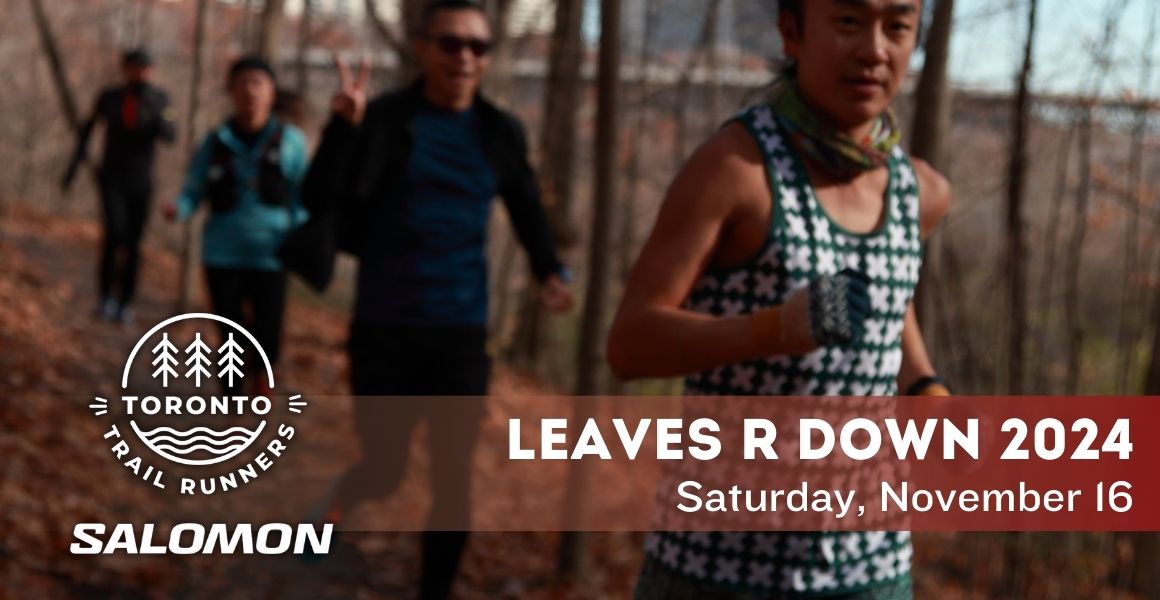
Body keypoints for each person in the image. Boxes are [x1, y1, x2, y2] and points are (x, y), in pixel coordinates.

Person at [607, 0, 951, 598]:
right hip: (719, 567)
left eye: (897, 26)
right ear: (792, 31)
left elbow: (889, 305)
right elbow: (630, 344)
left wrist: (925, 387)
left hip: (871, 569)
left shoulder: (920, 191)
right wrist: (773, 330)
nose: (874, 49)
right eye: (848, 21)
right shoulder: (736, 168)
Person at [300, 0, 573, 597]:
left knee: (453, 478)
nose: (465, 57)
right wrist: (341, 129)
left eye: (478, 47)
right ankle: (343, 497)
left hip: (459, 331)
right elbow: (318, 198)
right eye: (451, 43)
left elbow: (525, 201)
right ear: (423, 49)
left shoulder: (499, 132)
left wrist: (549, 269)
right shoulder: (384, 119)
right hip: (383, 326)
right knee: (386, 467)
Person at [164, 56, 309, 395]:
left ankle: (262, 377)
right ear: (231, 90)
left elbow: (303, 194)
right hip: (222, 250)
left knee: (268, 327)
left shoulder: (290, 141)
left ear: (273, 92)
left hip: (273, 251)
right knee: (228, 325)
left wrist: (304, 234)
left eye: (258, 83)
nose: (250, 91)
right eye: (243, 83)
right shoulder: (216, 141)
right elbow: (194, 188)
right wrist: (179, 208)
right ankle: (230, 394)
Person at [63, 48, 177, 324]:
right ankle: (105, 299)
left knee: (134, 243)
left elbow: (171, 134)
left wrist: (156, 111)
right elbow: (87, 131)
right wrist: (72, 169)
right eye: (137, 67)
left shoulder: (161, 99)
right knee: (113, 235)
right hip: (112, 177)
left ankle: (126, 302)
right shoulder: (109, 97)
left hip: (142, 181)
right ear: (126, 68)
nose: (142, 73)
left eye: (147, 68)